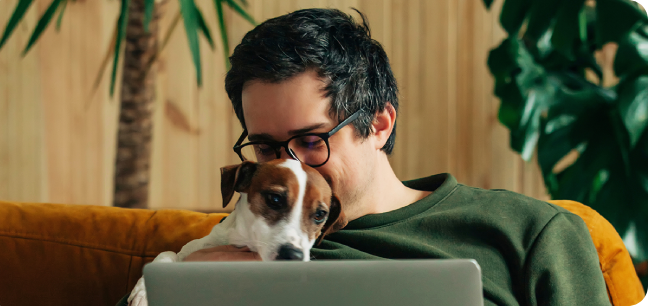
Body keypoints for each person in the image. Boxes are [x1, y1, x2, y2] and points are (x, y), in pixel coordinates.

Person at [117, 8, 610, 306]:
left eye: (311, 140)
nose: (293, 167)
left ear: (378, 124)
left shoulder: (528, 233)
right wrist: (197, 273)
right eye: (267, 146)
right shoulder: (236, 247)